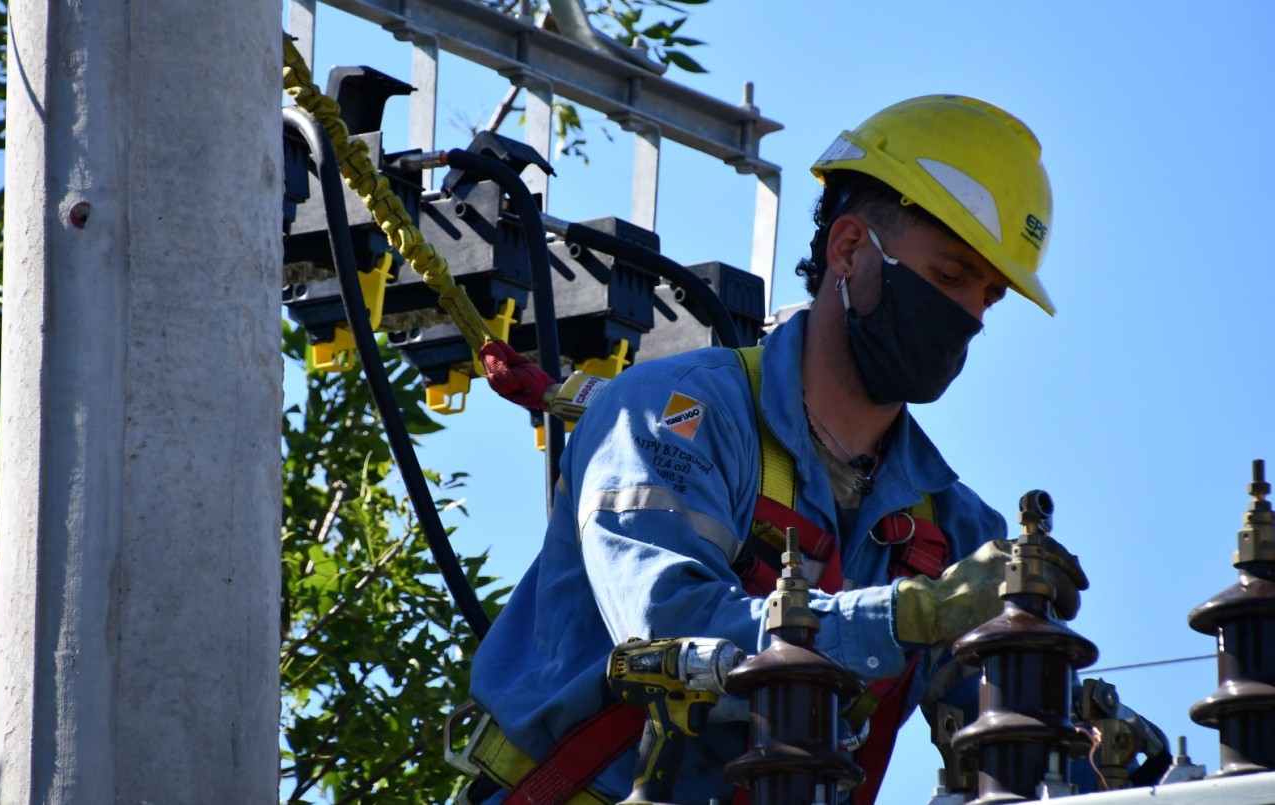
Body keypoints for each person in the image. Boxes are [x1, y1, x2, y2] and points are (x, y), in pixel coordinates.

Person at [463, 95, 1088, 805]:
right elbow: (670, 628)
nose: (968, 316)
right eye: (949, 276)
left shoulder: (952, 528)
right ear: (848, 249)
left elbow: (1025, 747)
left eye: (990, 294)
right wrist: (903, 617)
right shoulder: (673, 416)